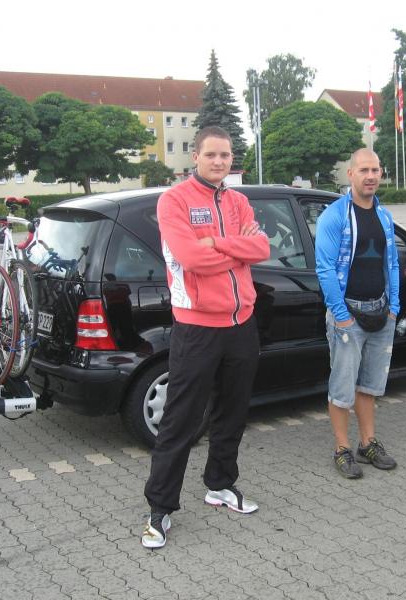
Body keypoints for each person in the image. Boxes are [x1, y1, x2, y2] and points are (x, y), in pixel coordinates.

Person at [142, 126, 270, 548]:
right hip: (197, 328)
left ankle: (220, 484)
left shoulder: (238, 201)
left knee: (232, 413)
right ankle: (160, 508)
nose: (219, 161)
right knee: (180, 420)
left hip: (241, 324)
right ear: (195, 157)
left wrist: (216, 242)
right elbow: (190, 258)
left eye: (226, 155)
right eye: (211, 154)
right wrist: (234, 249)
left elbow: (262, 249)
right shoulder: (174, 200)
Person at [315, 148, 400, 479]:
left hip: (381, 312)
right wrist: (341, 315)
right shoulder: (334, 215)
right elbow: (324, 268)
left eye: (375, 170)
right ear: (350, 174)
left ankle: (368, 443)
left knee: (369, 385)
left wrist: (394, 307)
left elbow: (392, 263)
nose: (371, 176)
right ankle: (342, 448)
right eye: (364, 170)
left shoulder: (384, 216)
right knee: (342, 388)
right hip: (348, 314)